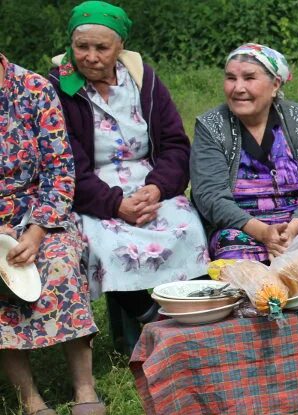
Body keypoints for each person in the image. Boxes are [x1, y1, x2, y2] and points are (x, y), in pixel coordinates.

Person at [49, 1, 208, 350]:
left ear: (120, 46)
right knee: (106, 244)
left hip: (151, 184)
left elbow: (175, 145)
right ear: (70, 46)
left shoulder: (143, 79)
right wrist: (115, 204)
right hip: (93, 190)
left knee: (187, 228)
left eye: (101, 48)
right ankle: (152, 321)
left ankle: (200, 317)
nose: (90, 56)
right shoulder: (56, 88)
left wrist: (158, 188)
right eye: (82, 47)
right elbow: (64, 162)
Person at [1, 52, 105, 415]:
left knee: (59, 261)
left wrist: (36, 230)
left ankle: (84, 387)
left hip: (40, 213)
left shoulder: (33, 89)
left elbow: (60, 171)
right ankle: (29, 399)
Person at [190, 43, 298, 262]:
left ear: (275, 85)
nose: (238, 88)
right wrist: (263, 232)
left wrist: (293, 228)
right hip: (240, 229)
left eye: (249, 78)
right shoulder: (211, 126)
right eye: (231, 78)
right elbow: (210, 196)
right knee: (238, 264)